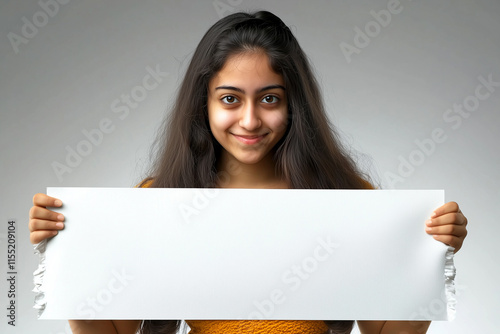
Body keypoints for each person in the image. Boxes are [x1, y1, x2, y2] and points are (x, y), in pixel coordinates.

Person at [29, 10, 468, 334]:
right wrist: (69, 258)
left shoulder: (347, 197)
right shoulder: (162, 197)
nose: (251, 121)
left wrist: (429, 254)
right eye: (230, 99)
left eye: (270, 99)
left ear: (294, 103)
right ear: (203, 102)